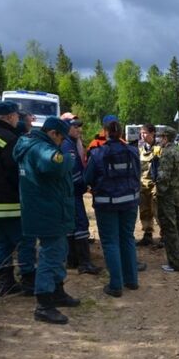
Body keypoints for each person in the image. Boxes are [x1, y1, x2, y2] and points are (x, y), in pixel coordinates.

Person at [14, 117, 80, 325]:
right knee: (50, 255)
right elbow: (59, 165)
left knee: (58, 252)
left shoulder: (31, 145)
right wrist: (68, 158)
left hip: (47, 210)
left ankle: (57, 292)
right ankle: (44, 305)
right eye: (61, 140)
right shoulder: (41, 149)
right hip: (48, 211)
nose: (60, 145)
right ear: (54, 133)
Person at [0, 101, 36, 296]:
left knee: (3, 243)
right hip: (10, 202)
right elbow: (15, 171)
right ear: (10, 117)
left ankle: (5, 283)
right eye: (16, 116)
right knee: (25, 241)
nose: (18, 119)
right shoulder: (10, 139)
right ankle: (29, 281)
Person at [84, 117, 141, 297]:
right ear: (122, 133)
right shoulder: (132, 151)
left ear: (105, 132)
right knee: (127, 239)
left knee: (110, 242)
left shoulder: (98, 153)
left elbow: (87, 179)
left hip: (106, 204)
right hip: (130, 202)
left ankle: (116, 285)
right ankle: (131, 280)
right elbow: (138, 173)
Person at [60, 113, 102, 275]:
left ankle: (72, 260)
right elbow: (74, 173)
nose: (79, 129)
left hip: (71, 193)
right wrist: (87, 184)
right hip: (72, 193)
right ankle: (84, 263)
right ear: (65, 128)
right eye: (75, 126)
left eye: (79, 126)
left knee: (72, 226)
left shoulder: (70, 143)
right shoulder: (67, 146)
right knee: (81, 225)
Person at [156, 127, 179, 272]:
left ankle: (175, 263)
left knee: (170, 228)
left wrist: (159, 192)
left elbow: (164, 177)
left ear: (165, 138)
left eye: (161, 137)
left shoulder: (167, 153)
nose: (159, 140)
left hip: (168, 195)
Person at [137, 123, 160, 247]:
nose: (142, 135)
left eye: (145, 133)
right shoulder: (140, 147)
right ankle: (147, 234)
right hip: (143, 185)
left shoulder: (159, 148)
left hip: (155, 185)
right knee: (144, 211)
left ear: (152, 133)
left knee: (158, 211)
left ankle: (164, 236)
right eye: (141, 133)